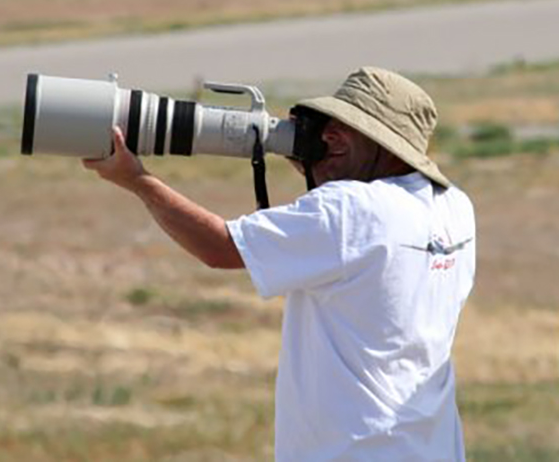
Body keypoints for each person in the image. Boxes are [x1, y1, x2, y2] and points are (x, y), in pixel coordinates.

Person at [83, 66, 476, 462]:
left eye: (346, 130)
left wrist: (136, 179)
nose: (326, 138)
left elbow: (219, 247)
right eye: (325, 128)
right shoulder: (455, 207)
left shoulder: (351, 210)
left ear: (389, 145)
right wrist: (318, 162)